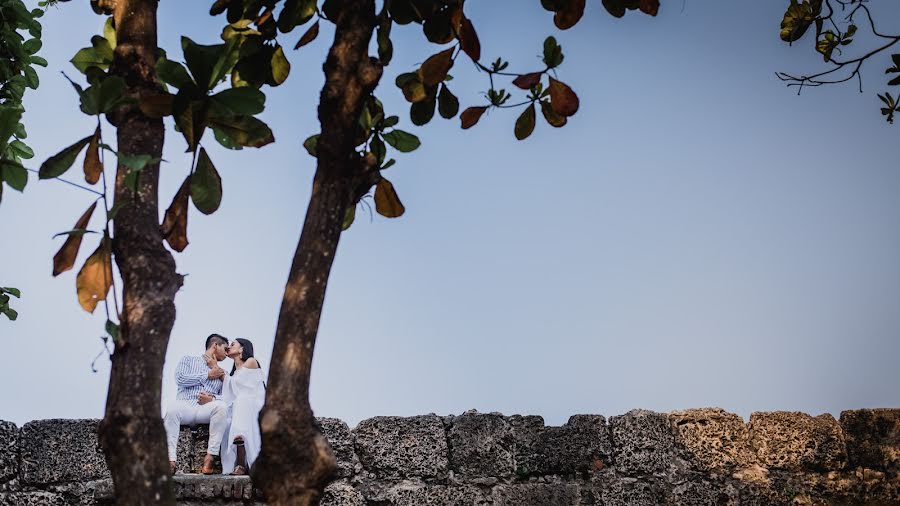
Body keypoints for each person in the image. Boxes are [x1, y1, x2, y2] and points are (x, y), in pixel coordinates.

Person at [163, 334, 229, 475]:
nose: (228, 352)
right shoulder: (188, 360)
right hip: (185, 405)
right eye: (225, 348)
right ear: (215, 346)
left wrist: (212, 398)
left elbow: (228, 397)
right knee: (171, 409)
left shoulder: (223, 373)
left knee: (221, 408)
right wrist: (206, 376)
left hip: (205, 409)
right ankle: (170, 460)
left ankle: (210, 457)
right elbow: (180, 379)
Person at [220, 338, 266, 475]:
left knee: (242, 400)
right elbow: (232, 392)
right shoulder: (233, 373)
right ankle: (238, 450)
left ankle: (241, 463)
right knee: (227, 420)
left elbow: (239, 387)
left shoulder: (251, 361)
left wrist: (220, 374)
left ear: (242, 349)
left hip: (255, 404)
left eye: (232, 344)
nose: (229, 346)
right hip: (241, 407)